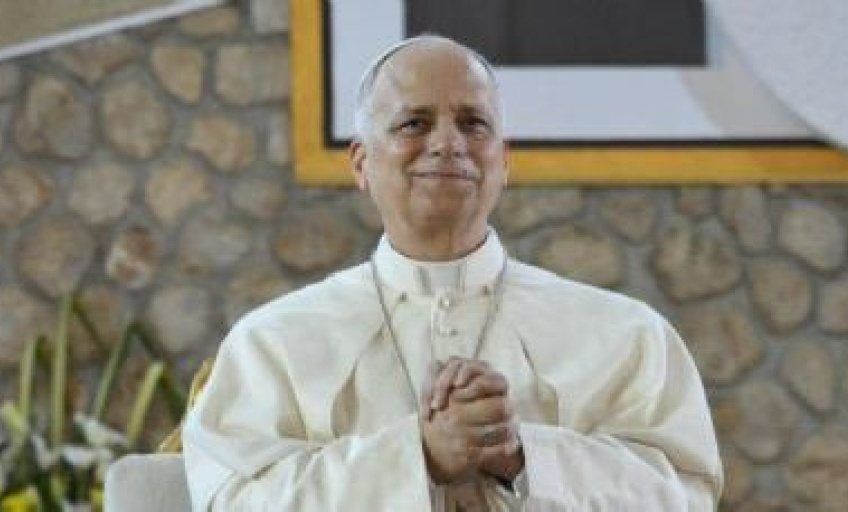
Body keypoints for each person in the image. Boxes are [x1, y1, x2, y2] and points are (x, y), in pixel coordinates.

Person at [182, 35, 722, 510]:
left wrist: (523, 456)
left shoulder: (625, 333)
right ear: (362, 163)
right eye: (413, 123)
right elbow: (234, 499)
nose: (447, 143)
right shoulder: (272, 342)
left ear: (503, 161)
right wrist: (418, 456)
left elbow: (685, 494)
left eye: (473, 123)